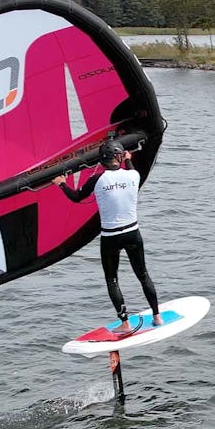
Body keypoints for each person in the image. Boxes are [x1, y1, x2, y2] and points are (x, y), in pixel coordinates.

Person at [53, 140, 161, 332]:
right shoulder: (134, 176)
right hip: (132, 232)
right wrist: (128, 160)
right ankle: (157, 316)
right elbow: (129, 169)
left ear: (102, 161)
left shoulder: (97, 180)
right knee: (143, 275)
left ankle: (125, 323)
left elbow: (77, 197)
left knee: (112, 280)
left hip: (111, 237)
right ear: (119, 157)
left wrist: (62, 184)